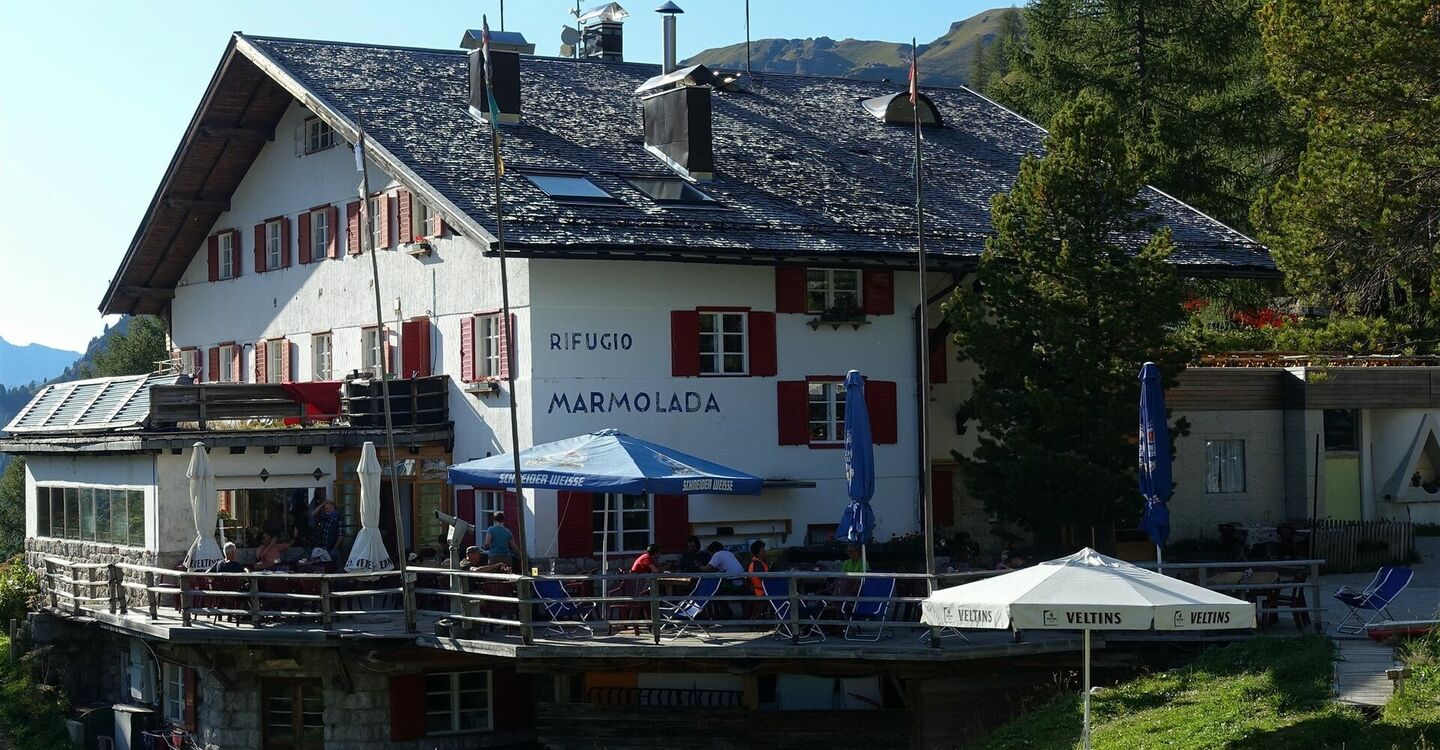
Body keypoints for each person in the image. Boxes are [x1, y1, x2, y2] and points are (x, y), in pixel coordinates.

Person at [700, 541, 746, 619]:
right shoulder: (729, 553)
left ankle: (724, 612)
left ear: (714, 551)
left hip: (732, 583)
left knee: (714, 592)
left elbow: (708, 568)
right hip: (741, 581)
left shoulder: (717, 554)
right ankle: (726, 611)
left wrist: (699, 567)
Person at [746, 540, 770, 622]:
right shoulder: (757, 564)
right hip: (761, 592)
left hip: (761, 590)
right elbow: (765, 578)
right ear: (759, 551)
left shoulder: (757, 562)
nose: (765, 551)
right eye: (763, 549)